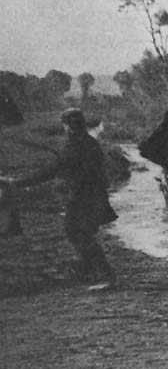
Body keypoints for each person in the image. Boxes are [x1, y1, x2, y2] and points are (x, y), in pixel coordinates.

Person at [4, 108, 118, 290]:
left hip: (83, 196)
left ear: (68, 126)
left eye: (66, 125)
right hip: (89, 195)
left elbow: (53, 170)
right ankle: (89, 270)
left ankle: (105, 276)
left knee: (78, 233)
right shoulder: (88, 142)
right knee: (78, 232)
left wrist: (17, 182)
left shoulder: (75, 145)